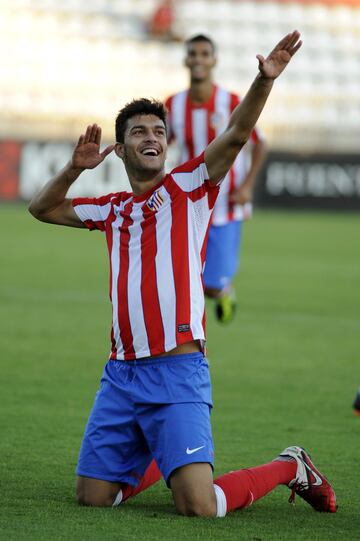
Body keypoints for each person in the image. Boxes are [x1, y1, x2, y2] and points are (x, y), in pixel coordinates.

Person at [28, 32, 336, 516]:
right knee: (92, 499)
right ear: (122, 149)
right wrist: (72, 169)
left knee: (199, 507)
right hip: (121, 375)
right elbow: (41, 208)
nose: (151, 138)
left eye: (158, 131)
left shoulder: (189, 187)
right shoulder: (110, 209)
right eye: (138, 132)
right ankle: (164, 446)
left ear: (166, 144)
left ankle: (290, 465)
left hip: (177, 371)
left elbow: (235, 136)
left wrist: (263, 81)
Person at [165, 34, 267, 323]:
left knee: (210, 284)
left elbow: (260, 142)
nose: (198, 59)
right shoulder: (174, 105)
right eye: (193, 54)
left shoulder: (231, 101)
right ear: (186, 59)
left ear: (214, 60)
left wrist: (247, 186)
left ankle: (224, 290)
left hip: (225, 205)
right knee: (182, 276)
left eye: (204, 54)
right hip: (188, 204)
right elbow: (161, 146)